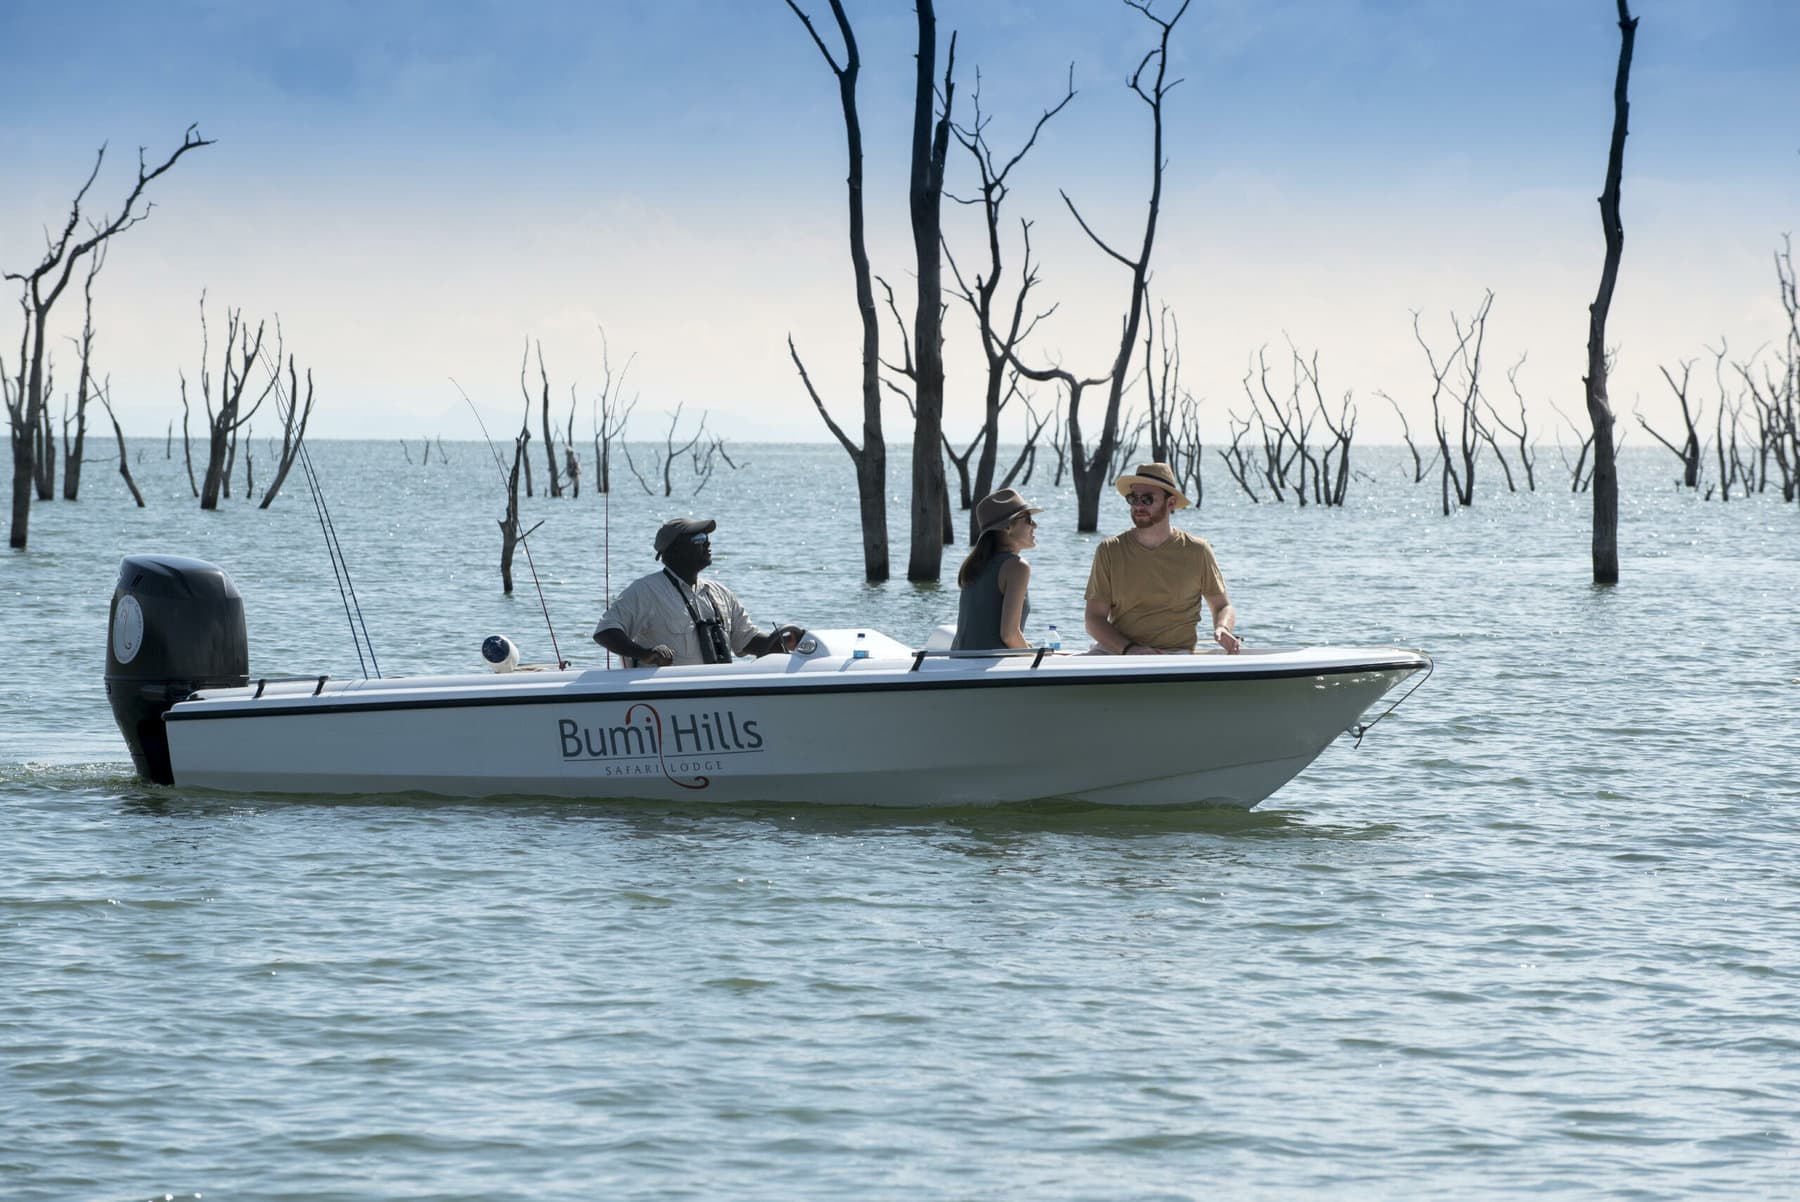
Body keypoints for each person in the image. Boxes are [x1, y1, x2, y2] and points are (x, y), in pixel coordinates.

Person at [593, 518, 806, 667]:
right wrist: (645, 654)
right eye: (699, 539)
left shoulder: (720, 593)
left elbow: (748, 641)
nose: (708, 543)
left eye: (707, 538)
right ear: (674, 550)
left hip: (716, 692)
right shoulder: (645, 591)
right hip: (667, 695)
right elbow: (605, 632)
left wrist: (787, 641)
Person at [1083, 462, 1241, 655]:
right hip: (1118, 651)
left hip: (1175, 655)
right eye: (1133, 498)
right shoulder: (1109, 550)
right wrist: (1130, 649)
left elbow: (1223, 606)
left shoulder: (1197, 551)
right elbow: (1094, 619)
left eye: (1147, 499)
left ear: (1171, 503)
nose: (1138, 505)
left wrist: (1222, 628)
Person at [951, 488, 1042, 651]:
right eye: (1028, 519)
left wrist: (1028, 647)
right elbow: (1009, 635)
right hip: (988, 664)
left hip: (959, 659)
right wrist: (1033, 656)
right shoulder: (1017, 566)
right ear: (1008, 527)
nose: (1035, 525)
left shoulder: (975, 563)